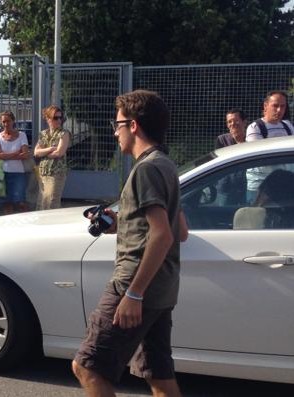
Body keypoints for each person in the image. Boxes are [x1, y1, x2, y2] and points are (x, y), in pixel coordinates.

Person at [72, 90, 187, 397]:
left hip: (135, 286)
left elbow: (163, 235)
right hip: (162, 289)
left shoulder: (146, 169)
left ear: (133, 125)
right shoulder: (165, 165)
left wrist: (134, 293)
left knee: (88, 367)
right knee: (158, 375)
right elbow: (180, 229)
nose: (114, 130)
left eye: (118, 123)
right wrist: (121, 223)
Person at [244, 91, 293, 202]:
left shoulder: (288, 126)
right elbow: (259, 158)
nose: (279, 110)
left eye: (282, 106)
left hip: (285, 187)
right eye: (275, 106)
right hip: (260, 189)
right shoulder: (255, 127)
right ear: (265, 106)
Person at [0, 111, 31, 213]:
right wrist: (17, 153)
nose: (6, 124)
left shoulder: (22, 135)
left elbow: (25, 154)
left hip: (19, 173)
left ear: (13, 121)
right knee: (7, 204)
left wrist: (6, 156)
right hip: (2, 174)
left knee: (21, 202)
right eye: (3, 121)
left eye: (8, 121)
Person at [34, 106, 71, 210]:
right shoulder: (43, 134)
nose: (59, 120)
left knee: (51, 203)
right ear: (47, 118)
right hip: (43, 172)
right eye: (55, 118)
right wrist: (50, 149)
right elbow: (36, 152)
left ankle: (52, 224)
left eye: (61, 118)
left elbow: (59, 152)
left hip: (56, 173)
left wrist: (44, 153)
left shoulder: (64, 133)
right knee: (41, 203)